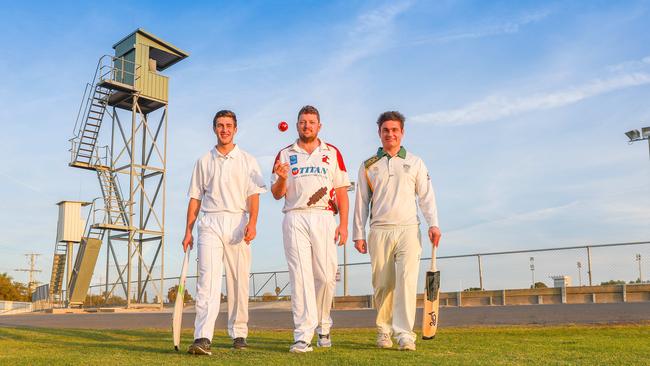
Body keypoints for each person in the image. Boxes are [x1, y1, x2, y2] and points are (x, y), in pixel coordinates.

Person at [352, 110, 441, 351]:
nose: (390, 134)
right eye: (385, 130)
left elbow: (426, 197)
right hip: (379, 229)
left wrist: (433, 223)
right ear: (379, 133)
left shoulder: (415, 162)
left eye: (394, 130)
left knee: (406, 282)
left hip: (409, 229)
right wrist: (358, 234)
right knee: (383, 284)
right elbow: (361, 202)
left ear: (402, 133)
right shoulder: (369, 165)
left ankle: (404, 335)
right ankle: (383, 331)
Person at [182, 110, 267, 355]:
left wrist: (253, 223)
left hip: (238, 221)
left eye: (229, 125)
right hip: (210, 222)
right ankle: (202, 337)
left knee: (238, 280)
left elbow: (253, 195)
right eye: (220, 125)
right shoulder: (203, 161)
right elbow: (195, 198)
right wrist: (188, 231)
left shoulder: (248, 160)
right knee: (207, 281)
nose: (225, 129)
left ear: (235, 129)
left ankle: (239, 332)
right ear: (214, 129)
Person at [271, 105, 350, 353]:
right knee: (301, 277)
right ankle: (302, 334)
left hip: (324, 217)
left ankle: (324, 325)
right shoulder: (285, 154)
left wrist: (344, 225)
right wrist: (283, 178)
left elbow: (341, 191)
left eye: (312, 122)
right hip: (295, 216)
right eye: (303, 122)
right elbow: (276, 194)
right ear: (296, 126)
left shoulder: (332, 152)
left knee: (326, 277)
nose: (307, 126)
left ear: (319, 126)